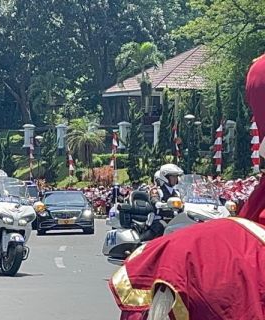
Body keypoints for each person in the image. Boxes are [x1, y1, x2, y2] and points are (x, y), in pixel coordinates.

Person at [110, 53, 265, 320]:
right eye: (171, 178)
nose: (173, 181)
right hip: (157, 217)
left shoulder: (178, 189)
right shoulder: (159, 191)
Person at [140, 164, 183, 241]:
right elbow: (154, 201)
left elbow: (182, 205)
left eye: (176, 176)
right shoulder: (157, 190)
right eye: (173, 176)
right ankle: (140, 249)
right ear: (165, 177)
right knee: (158, 230)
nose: (175, 178)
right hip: (159, 220)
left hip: (174, 220)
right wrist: (162, 204)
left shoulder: (177, 193)